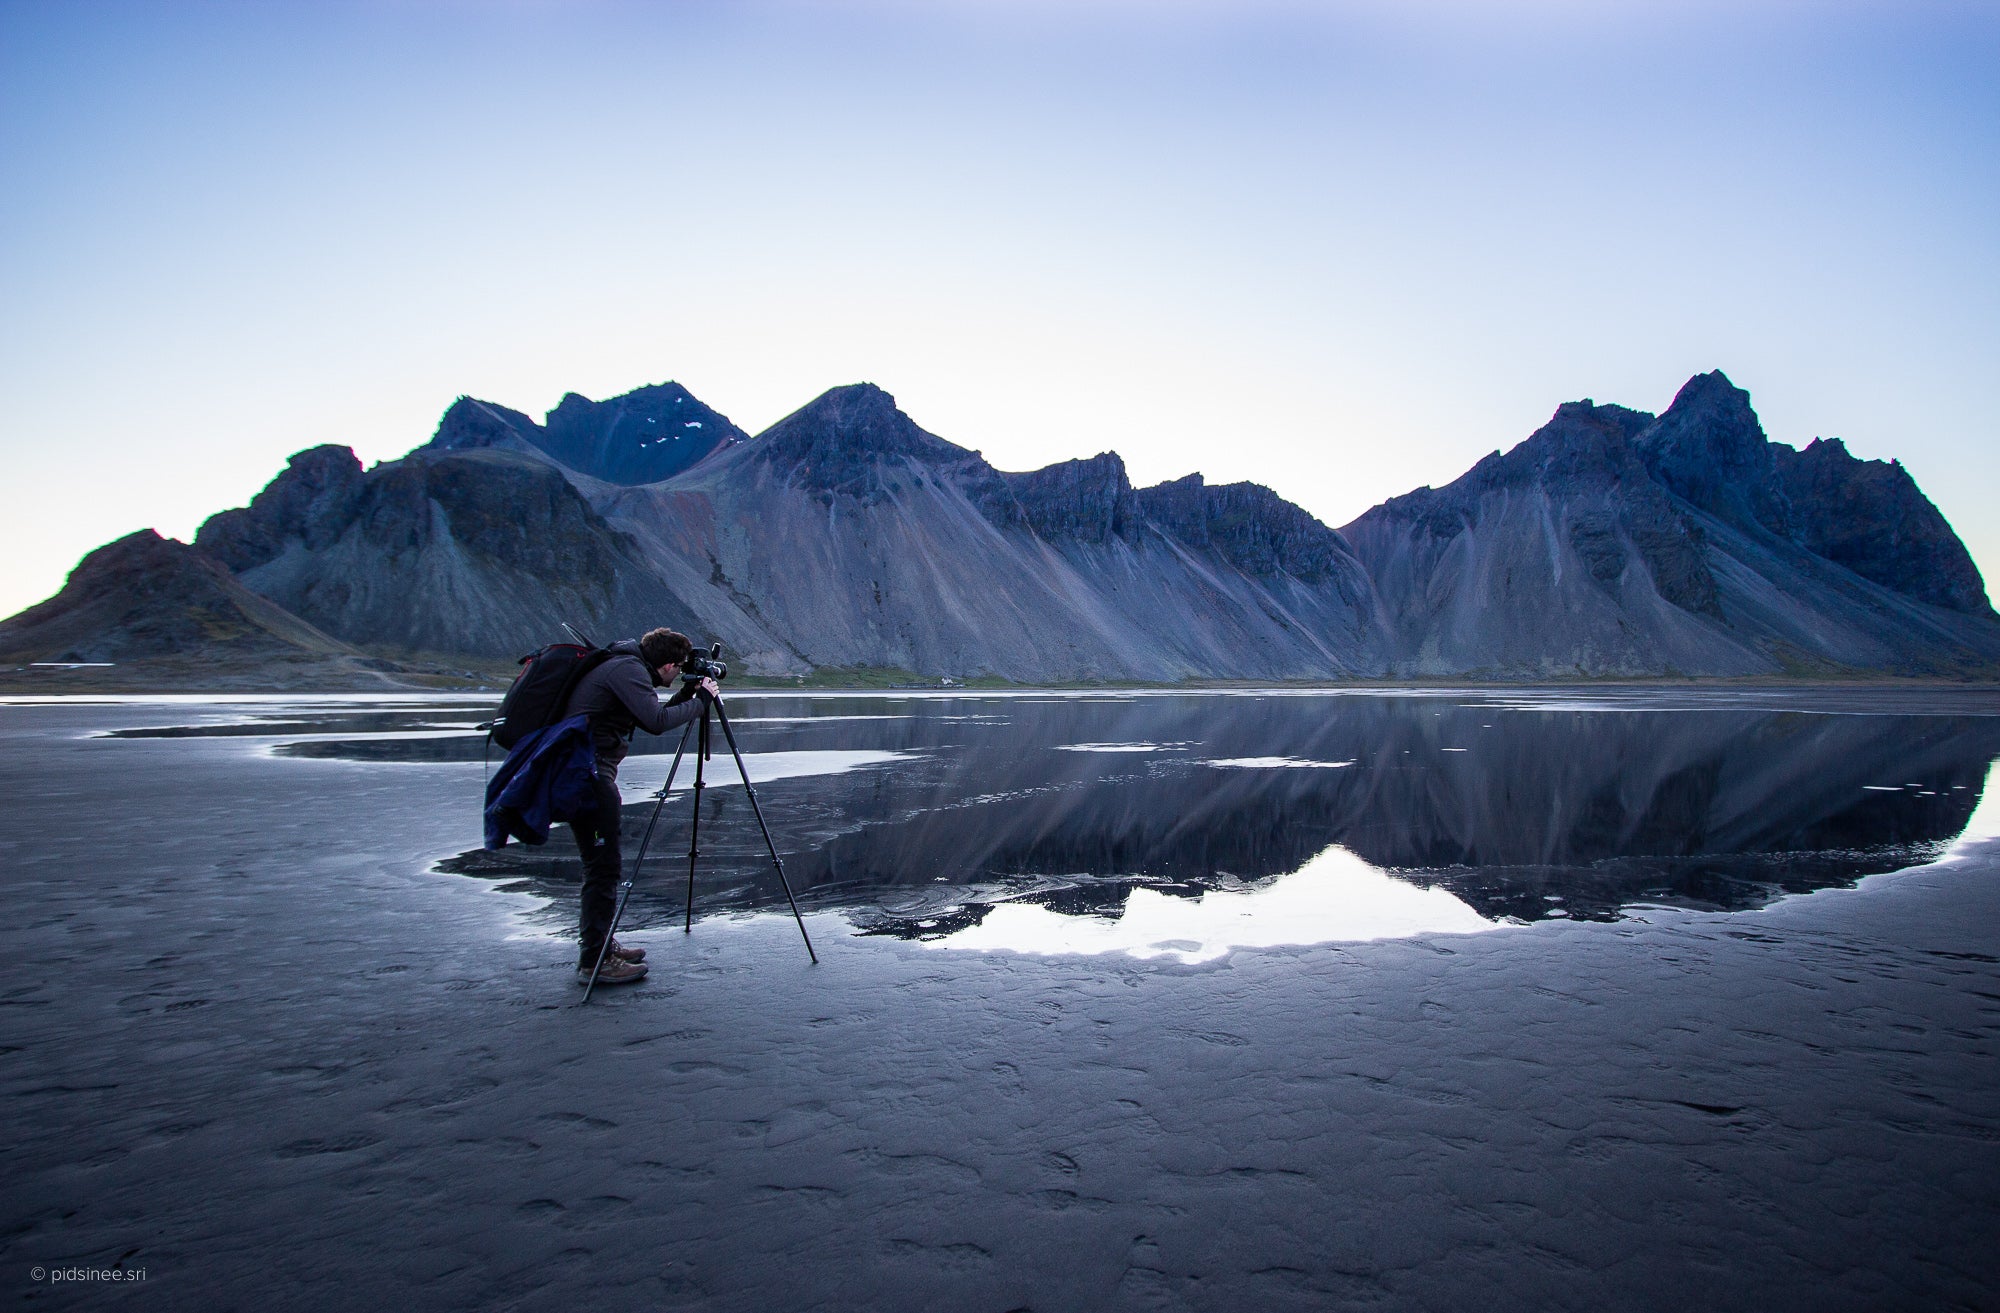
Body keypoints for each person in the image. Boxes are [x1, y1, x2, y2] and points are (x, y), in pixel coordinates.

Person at [560, 627, 718, 985]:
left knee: (599, 867)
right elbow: (656, 722)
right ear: (665, 664)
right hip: (587, 779)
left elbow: (647, 716)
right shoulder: (628, 671)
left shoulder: (626, 667)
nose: (679, 673)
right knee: (603, 868)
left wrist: (688, 695)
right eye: (678, 668)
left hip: (584, 773)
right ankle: (594, 962)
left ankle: (600, 946)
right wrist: (702, 701)